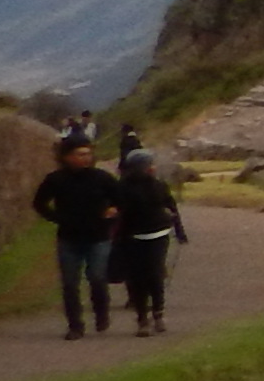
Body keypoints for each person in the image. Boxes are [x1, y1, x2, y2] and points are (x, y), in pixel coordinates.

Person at [34, 134, 125, 338]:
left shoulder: (102, 178)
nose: (85, 158)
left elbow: (121, 200)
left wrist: (113, 212)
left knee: (97, 278)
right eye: (80, 154)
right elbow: (39, 203)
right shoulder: (56, 179)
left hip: (98, 237)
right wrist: (58, 218)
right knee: (69, 283)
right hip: (69, 238)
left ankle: (101, 313)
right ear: (67, 156)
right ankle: (75, 325)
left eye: (88, 154)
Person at [108, 147, 189, 336]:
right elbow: (117, 212)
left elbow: (171, 207)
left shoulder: (158, 185)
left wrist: (179, 230)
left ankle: (157, 313)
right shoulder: (123, 188)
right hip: (133, 237)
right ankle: (142, 317)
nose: (152, 168)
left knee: (154, 274)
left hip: (157, 234)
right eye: (149, 165)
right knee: (137, 278)